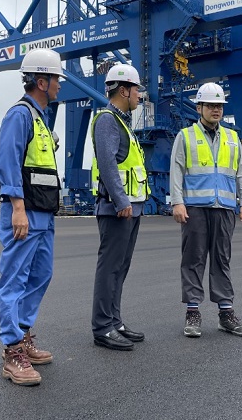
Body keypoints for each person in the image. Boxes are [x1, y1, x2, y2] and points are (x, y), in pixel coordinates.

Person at [0, 48, 64, 386]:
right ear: (41, 80)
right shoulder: (19, 115)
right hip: (24, 213)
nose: (59, 85)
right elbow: (8, 162)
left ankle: (22, 335)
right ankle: (12, 352)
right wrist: (17, 208)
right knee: (14, 280)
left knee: (41, 275)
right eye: (56, 80)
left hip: (43, 214)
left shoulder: (41, 119)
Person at [169, 82, 242, 338]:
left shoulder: (232, 137)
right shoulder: (185, 136)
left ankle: (226, 313)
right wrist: (177, 202)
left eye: (219, 106)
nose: (216, 110)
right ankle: (192, 312)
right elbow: (176, 170)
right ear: (199, 107)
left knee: (222, 260)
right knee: (193, 260)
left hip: (225, 208)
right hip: (194, 207)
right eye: (211, 105)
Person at [90, 63, 150, 350]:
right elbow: (107, 162)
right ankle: (103, 327)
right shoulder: (106, 120)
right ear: (124, 90)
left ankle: (114, 321)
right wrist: (121, 200)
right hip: (118, 209)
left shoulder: (122, 121)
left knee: (121, 267)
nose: (139, 95)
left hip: (130, 209)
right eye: (136, 89)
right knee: (110, 268)